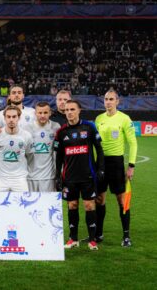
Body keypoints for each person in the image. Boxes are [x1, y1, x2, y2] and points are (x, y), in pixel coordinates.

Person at [55, 100, 104, 250]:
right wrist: (58, 176)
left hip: (88, 176)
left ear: (79, 110)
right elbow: (59, 157)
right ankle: (73, 238)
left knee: (89, 205)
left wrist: (100, 169)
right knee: (72, 205)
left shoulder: (89, 127)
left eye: (72, 109)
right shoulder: (61, 132)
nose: (69, 112)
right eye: (67, 110)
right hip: (69, 177)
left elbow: (99, 150)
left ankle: (92, 239)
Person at [94, 89, 137, 247]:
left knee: (122, 199)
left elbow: (132, 142)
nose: (108, 102)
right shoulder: (98, 119)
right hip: (101, 162)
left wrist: (131, 165)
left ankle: (126, 236)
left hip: (116, 163)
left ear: (117, 101)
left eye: (111, 99)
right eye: (106, 99)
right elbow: (95, 143)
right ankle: (98, 234)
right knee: (99, 199)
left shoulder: (124, 119)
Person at [0, 106, 34, 192]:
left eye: (14, 116)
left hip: (19, 178)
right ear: (4, 118)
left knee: (22, 204)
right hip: (0, 178)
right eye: (8, 117)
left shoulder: (27, 135)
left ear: (19, 118)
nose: (11, 119)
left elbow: (30, 155)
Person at [26, 102, 61, 192]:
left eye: (45, 113)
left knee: (48, 204)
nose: (42, 115)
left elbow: (59, 149)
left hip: (49, 176)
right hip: (30, 175)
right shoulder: (27, 128)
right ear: (35, 113)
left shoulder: (56, 127)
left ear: (50, 113)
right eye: (40, 113)